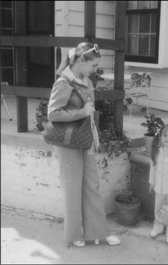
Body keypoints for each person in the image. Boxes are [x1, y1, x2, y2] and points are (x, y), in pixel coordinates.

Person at [48, 42, 120, 247]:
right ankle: (74, 235)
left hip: (85, 140)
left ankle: (98, 232)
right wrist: (81, 112)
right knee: (72, 189)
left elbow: (88, 114)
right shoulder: (63, 83)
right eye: (93, 65)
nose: (95, 70)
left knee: (92, 186)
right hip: (67, 143)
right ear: (81, 61)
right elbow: (52, 114)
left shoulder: (86, 80)